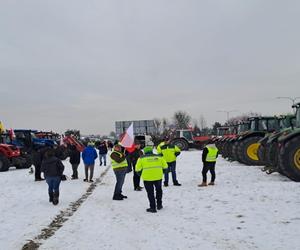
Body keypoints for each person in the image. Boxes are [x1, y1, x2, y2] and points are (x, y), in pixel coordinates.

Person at [136, 146, 168, 213]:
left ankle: (153, 208)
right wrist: (162, 172)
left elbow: (137, 169)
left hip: (147, 178)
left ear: (144, 152)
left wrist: (141, 174)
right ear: (152, 151)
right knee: (159, 190)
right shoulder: (159, 157)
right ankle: (159, 205)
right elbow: (165, 167)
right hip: (158, 177)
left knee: (150, 193)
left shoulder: (141, 158)